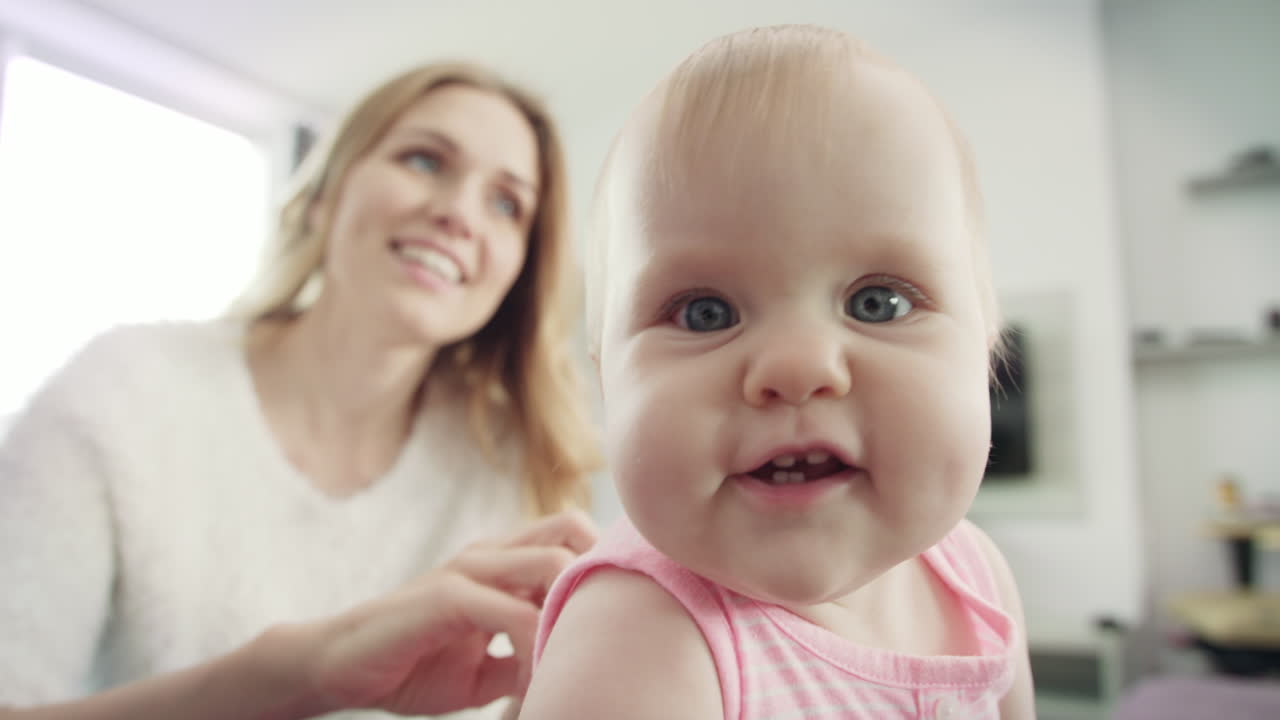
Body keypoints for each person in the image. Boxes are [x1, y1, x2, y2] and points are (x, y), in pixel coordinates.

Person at [0, 61, 600, 720]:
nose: (460, 213)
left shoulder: (514, 467)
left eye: (506, 203)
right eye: (425, 161)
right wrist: (295, 676)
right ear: (325, 194)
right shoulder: (122, 393)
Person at [519, 24, 1036, 720]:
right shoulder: (642, 641)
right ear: (606, 376)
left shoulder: (979, 581)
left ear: (985, 344)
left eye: (877, 303)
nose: (797, 367)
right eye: (705, 312)